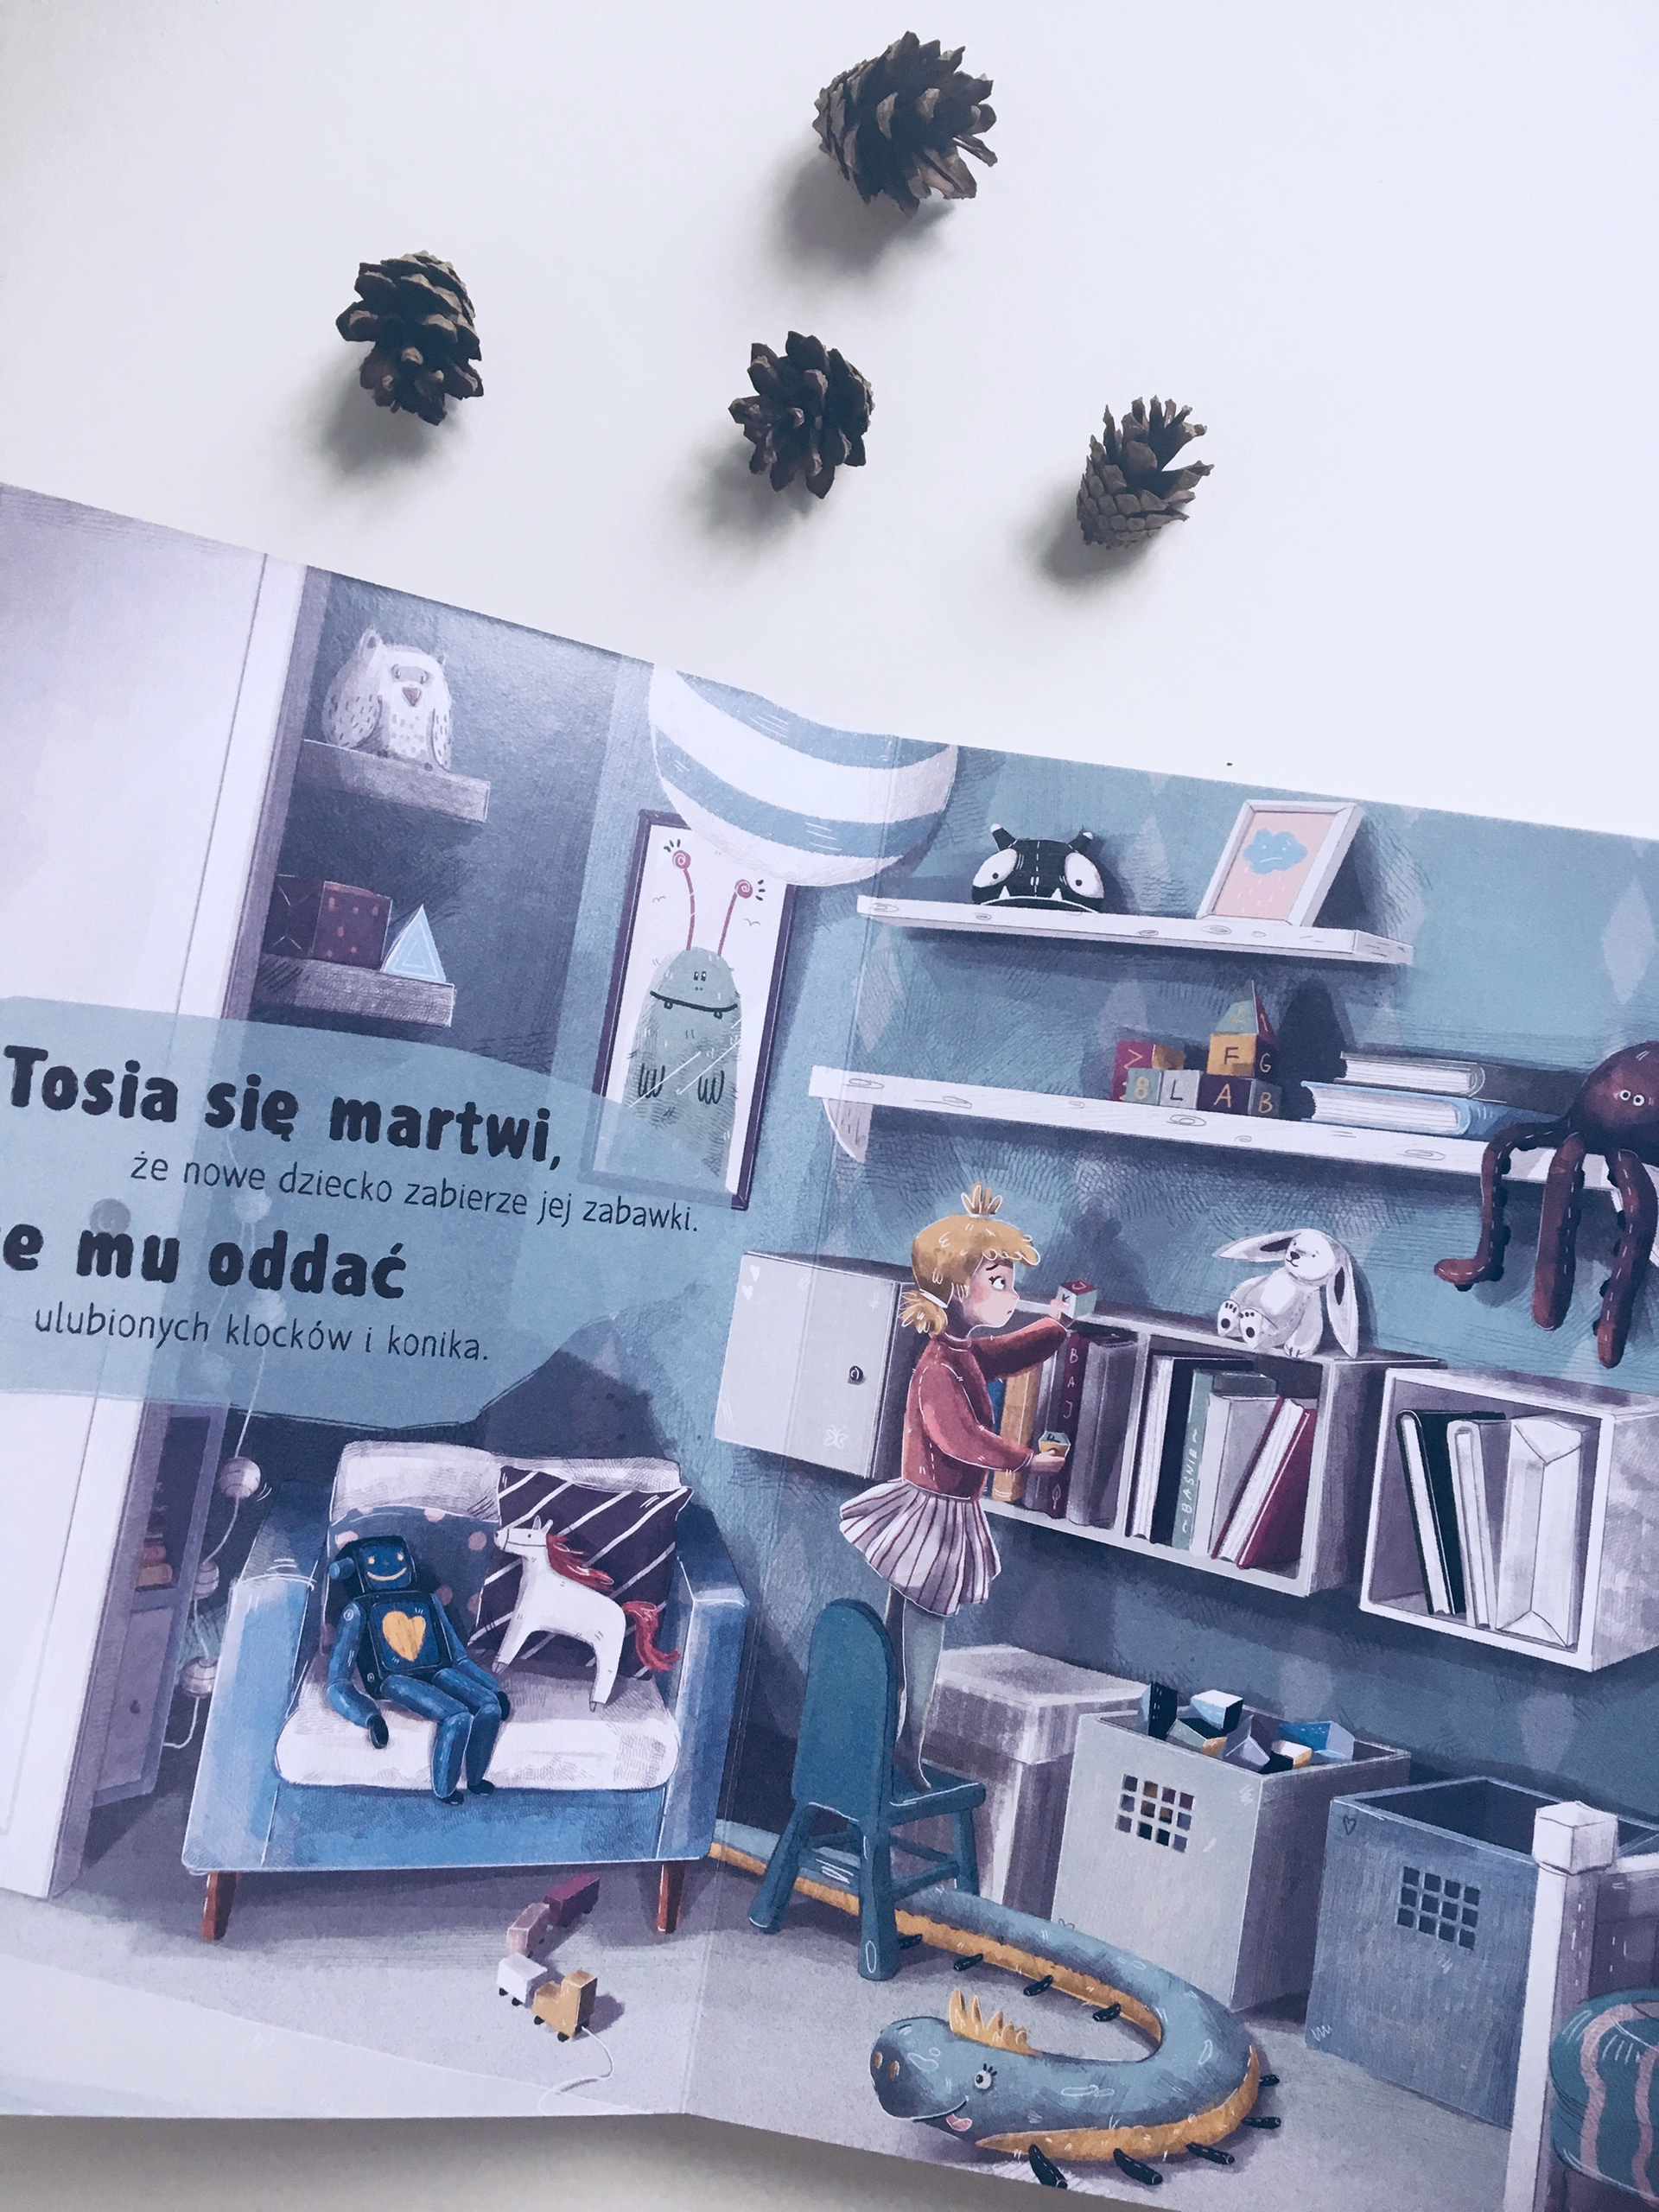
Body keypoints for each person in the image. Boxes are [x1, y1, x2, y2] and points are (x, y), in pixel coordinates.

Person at [839, 1183, 1067, 1790]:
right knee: (920, 1638)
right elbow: (961, 1439)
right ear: (957, 1290)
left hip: (944, 1512)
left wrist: (1057, 1325)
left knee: (906, 1628)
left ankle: (891, 1744)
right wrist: (1025, 1460)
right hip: (930, 1516)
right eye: (1000, 1282)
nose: (1011, 1294)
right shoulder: (938, 1366)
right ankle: (905, 1747)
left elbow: (1009, 1353)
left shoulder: (963, 1353)